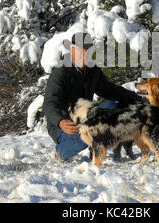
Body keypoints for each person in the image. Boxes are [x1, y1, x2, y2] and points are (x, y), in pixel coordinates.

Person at [42, 32, 143, 161]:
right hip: (66, 123)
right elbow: (49, 103)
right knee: (81, 140)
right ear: (72, 50)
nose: (85, 54)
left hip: (86, 119)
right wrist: (60, 121)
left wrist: (136, 97)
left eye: (88, 51)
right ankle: (61, 153)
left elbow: (110, 90)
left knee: (112, 108)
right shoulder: (61, 71)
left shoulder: (92, 69)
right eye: (82, 51)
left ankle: (95, 149)